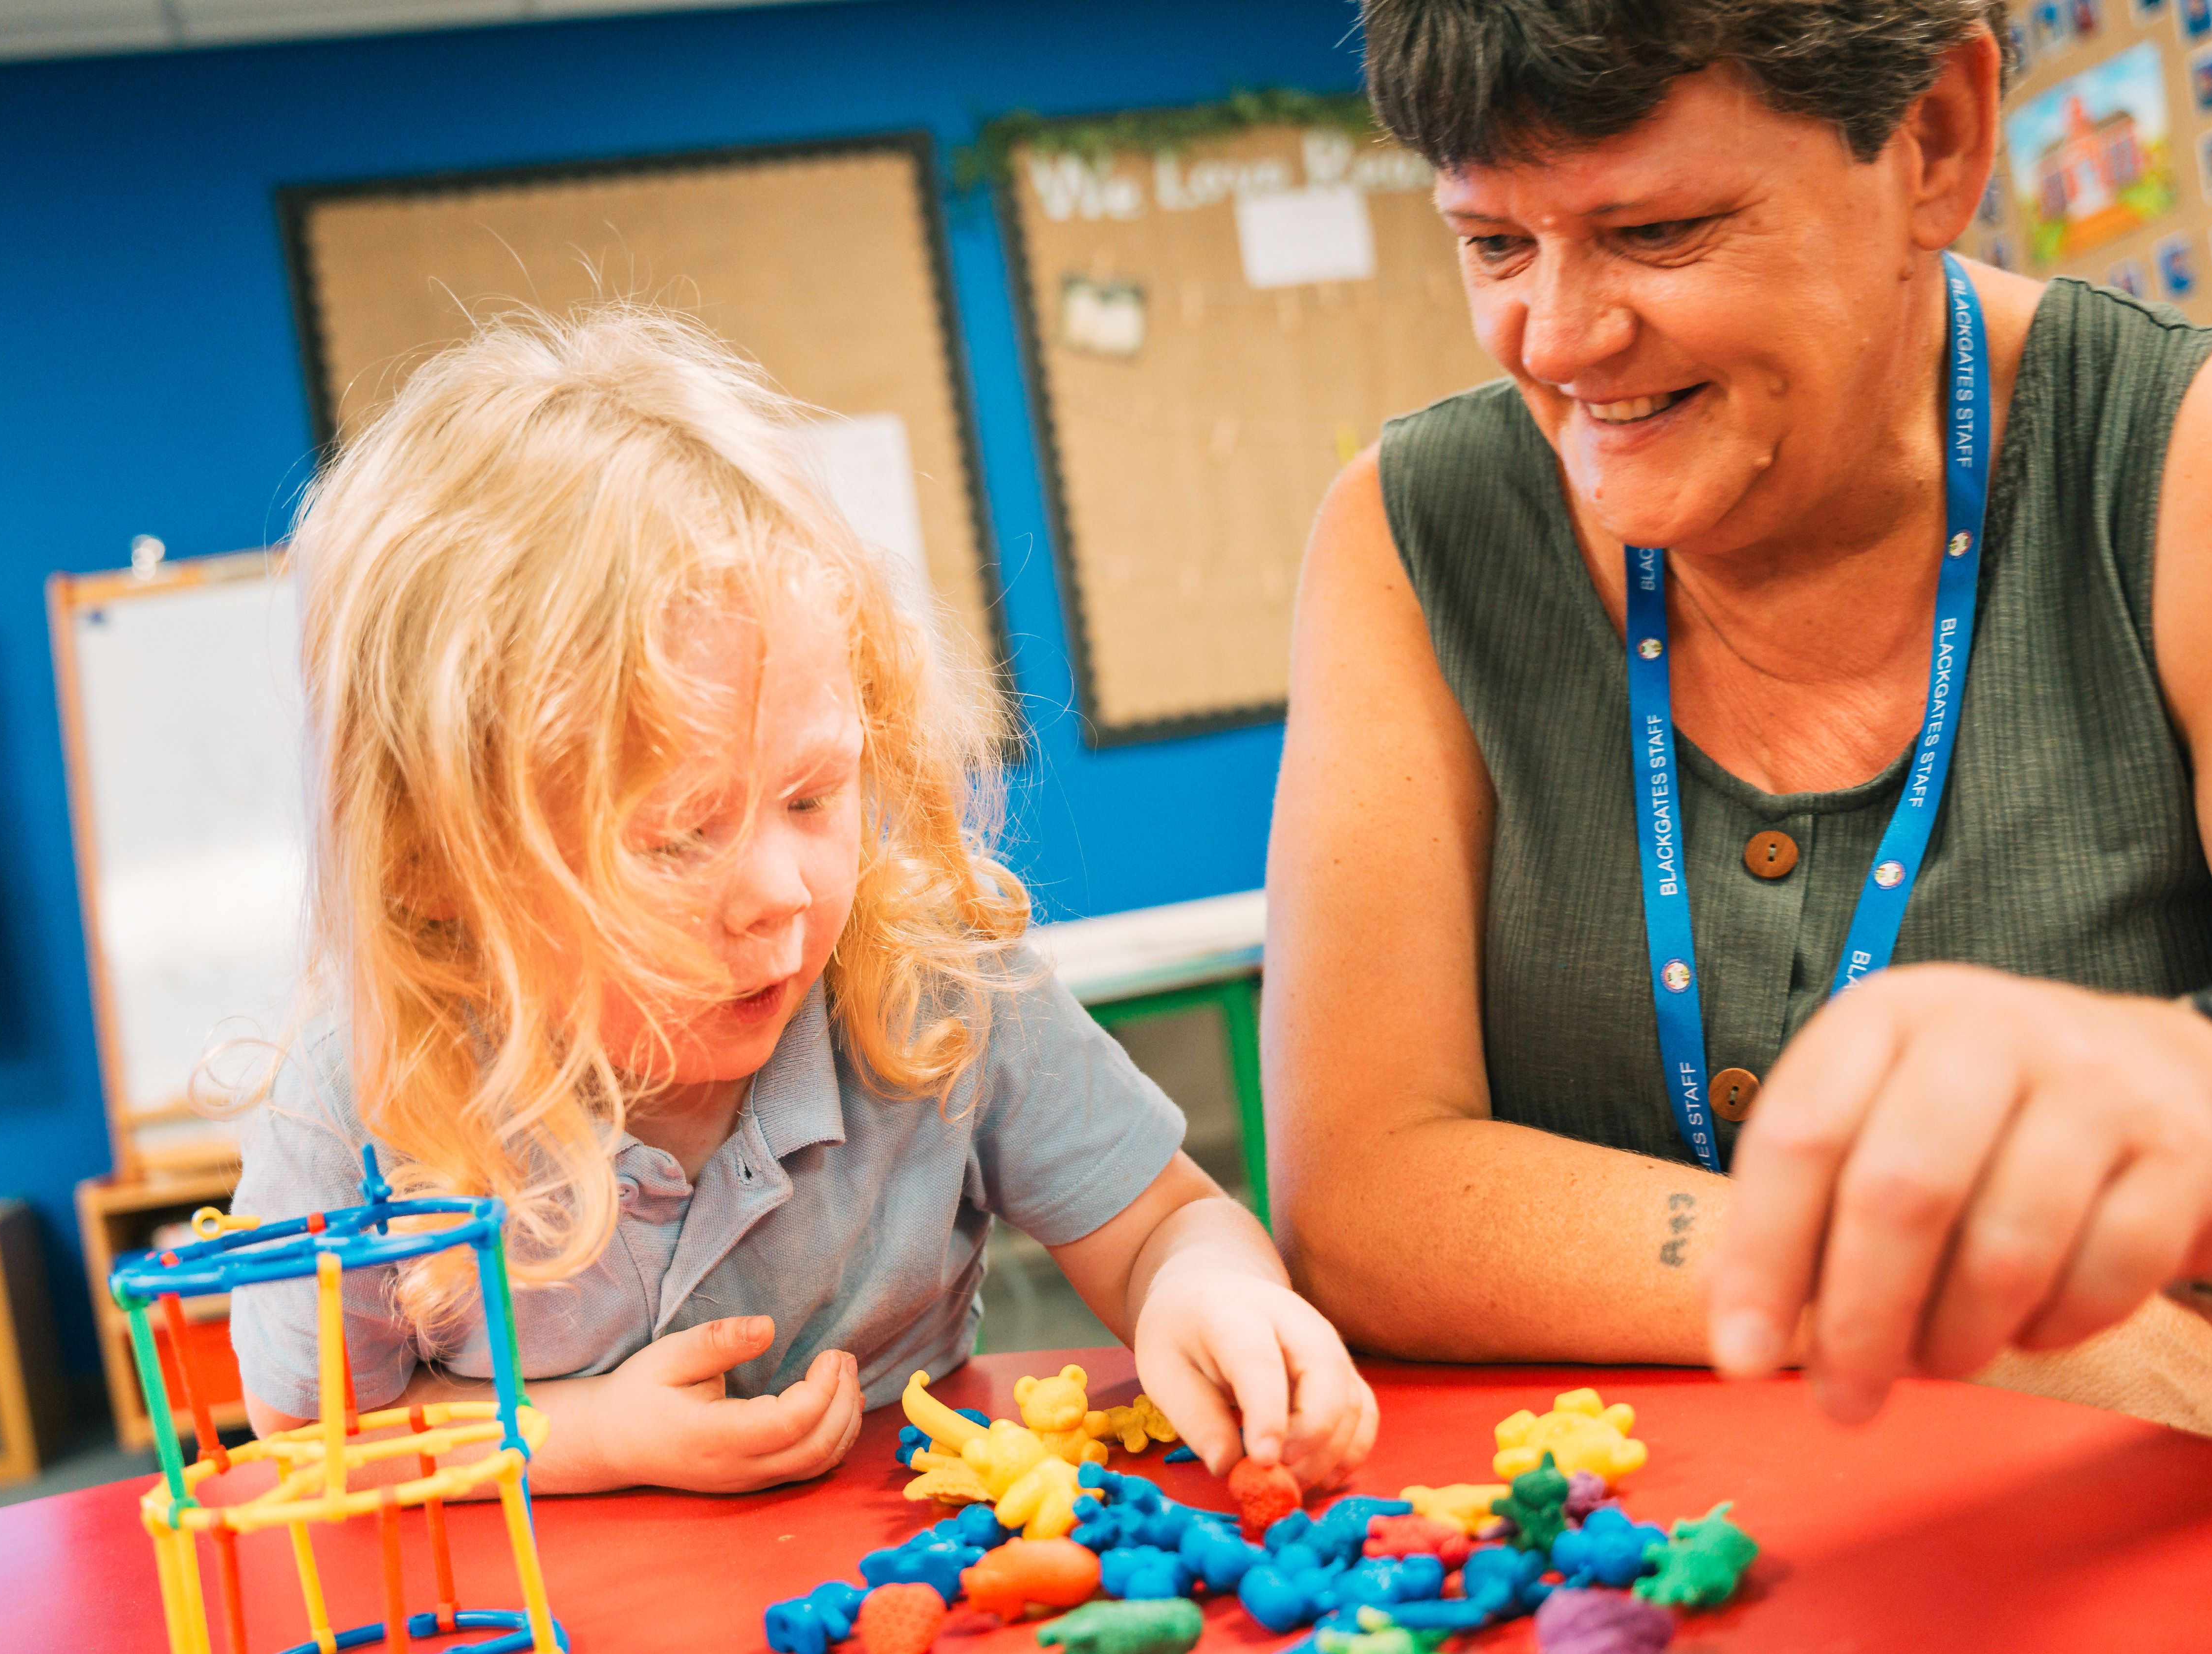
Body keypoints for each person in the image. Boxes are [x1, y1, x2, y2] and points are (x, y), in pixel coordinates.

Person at [1268, 0, 2212, 1480]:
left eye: (1659, 231)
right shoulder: (1417, 533)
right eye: (1494, 245)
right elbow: (1358, 1202)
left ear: (1936, 139)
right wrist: (1975, 1307)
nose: (1562, 340)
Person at [224, 308, 1375, 1497]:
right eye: (676, 838)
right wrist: (593, 1437)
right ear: (437, 865)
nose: (780, 893)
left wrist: (1212, 1291)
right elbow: (313, 1437)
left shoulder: (930, 973)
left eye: (815, 795)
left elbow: (1158, 1228)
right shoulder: (368, 1089)